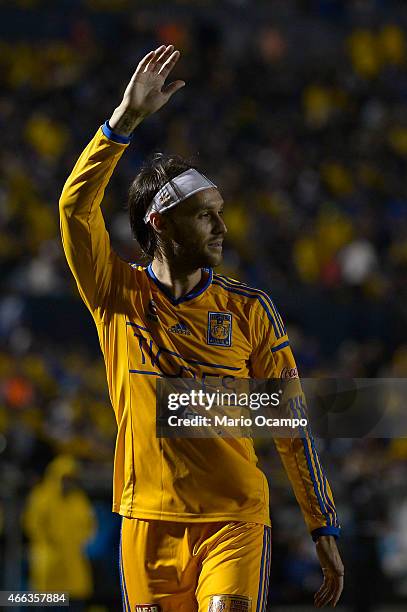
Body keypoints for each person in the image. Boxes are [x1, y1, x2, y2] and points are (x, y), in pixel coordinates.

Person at [59, 44, 344, 611]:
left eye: (221, 209)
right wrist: (124, 122)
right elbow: (74, 210)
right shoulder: (114, 292)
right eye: (205, 213)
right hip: (147, 522)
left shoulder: (250, 310)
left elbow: (292, 423)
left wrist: (323, 526)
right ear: (162, 222)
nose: (222, 225)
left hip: (235, 520)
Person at [23, 455, 96, 611]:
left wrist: (81, 542)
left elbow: (89, 526)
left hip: (74, 562)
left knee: (75, 602)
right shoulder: (41, 497)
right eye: (65, 478)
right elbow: (32, 525)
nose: (68, 482)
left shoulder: (79, 500)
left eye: (72, 478)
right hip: (49, 563)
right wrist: (50, 543)